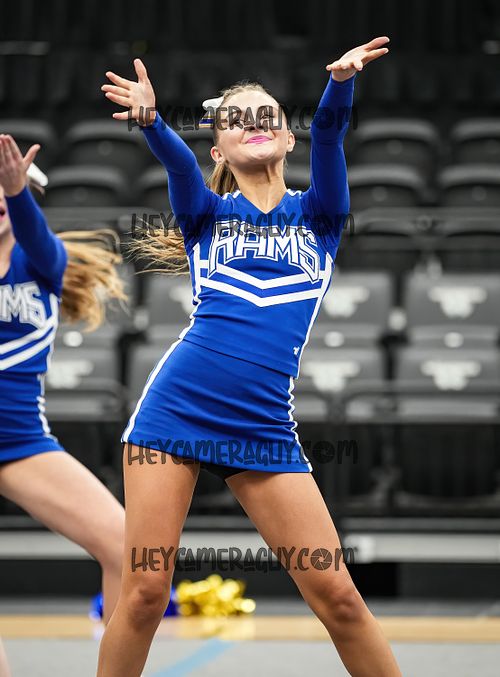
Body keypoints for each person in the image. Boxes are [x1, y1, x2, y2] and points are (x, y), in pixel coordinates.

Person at [96, 36, 402, 676]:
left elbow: (329, 136)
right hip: (174, 416)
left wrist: (341, 82)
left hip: (263, 427)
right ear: (219, 150)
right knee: (145, 592)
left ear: (287, 139)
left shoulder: (320, 217)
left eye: (268, 115)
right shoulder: (205, 214)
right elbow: (178, 165)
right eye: (236, 119)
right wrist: (151, 123)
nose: (255, 124)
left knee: (340, 598)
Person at [0, 135, 127, 675]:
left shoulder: (41, 262)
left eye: (3, 191)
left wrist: (17, 193)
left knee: (126, 546)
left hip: (20, 444)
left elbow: (35, 234)